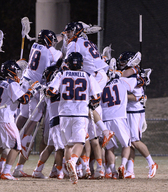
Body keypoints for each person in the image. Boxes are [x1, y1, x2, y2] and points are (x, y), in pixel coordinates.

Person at [62, 22, 114, 179]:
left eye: (70, 32)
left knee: (85, 104)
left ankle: (105, 131)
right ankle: (90, 165)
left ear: (77, 32)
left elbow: (69, 63)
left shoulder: (75, 44)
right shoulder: (86, 41)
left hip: (94, 77)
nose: (67, 34)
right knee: (85, 108)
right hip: (98, 74)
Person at [45, 52, 102, 184]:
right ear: (81, 63)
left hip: (64, 113)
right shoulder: (88, 76)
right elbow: (96, 97)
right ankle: (73, 161)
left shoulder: (61, 74)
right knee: (80, 143)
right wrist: (92, 103)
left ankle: (70, 172)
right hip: (80, 113)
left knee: (67, 145)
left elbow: (51, 92)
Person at [13, 29, 63, 177]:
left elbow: (53, 42)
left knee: (22, 118)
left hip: (25, 83)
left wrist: (63, 34)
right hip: (35, 87)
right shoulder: (52, 52)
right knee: (32, 123)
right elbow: (61, 57)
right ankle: (18, 156)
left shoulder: (35, 45)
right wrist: (68, 41)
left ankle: (13, 138)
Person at [100, 56, 147, 179]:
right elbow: (140, 81)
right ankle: (122, 165)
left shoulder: (101, 83)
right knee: (127, 144)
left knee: (109, 148)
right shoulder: (121, 81)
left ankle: (112, 172)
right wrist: (140, 74)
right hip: (119, 117)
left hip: (104, 118)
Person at [115, 51, 157, 179]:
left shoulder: (134, 78)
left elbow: (136, 97)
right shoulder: (130, 74)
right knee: (128, 142)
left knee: (135, 140)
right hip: (126, 111)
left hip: (135, 112)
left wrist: (122, 96)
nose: (120, 64)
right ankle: (130, 170)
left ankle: (152, 163)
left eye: (123, 62)